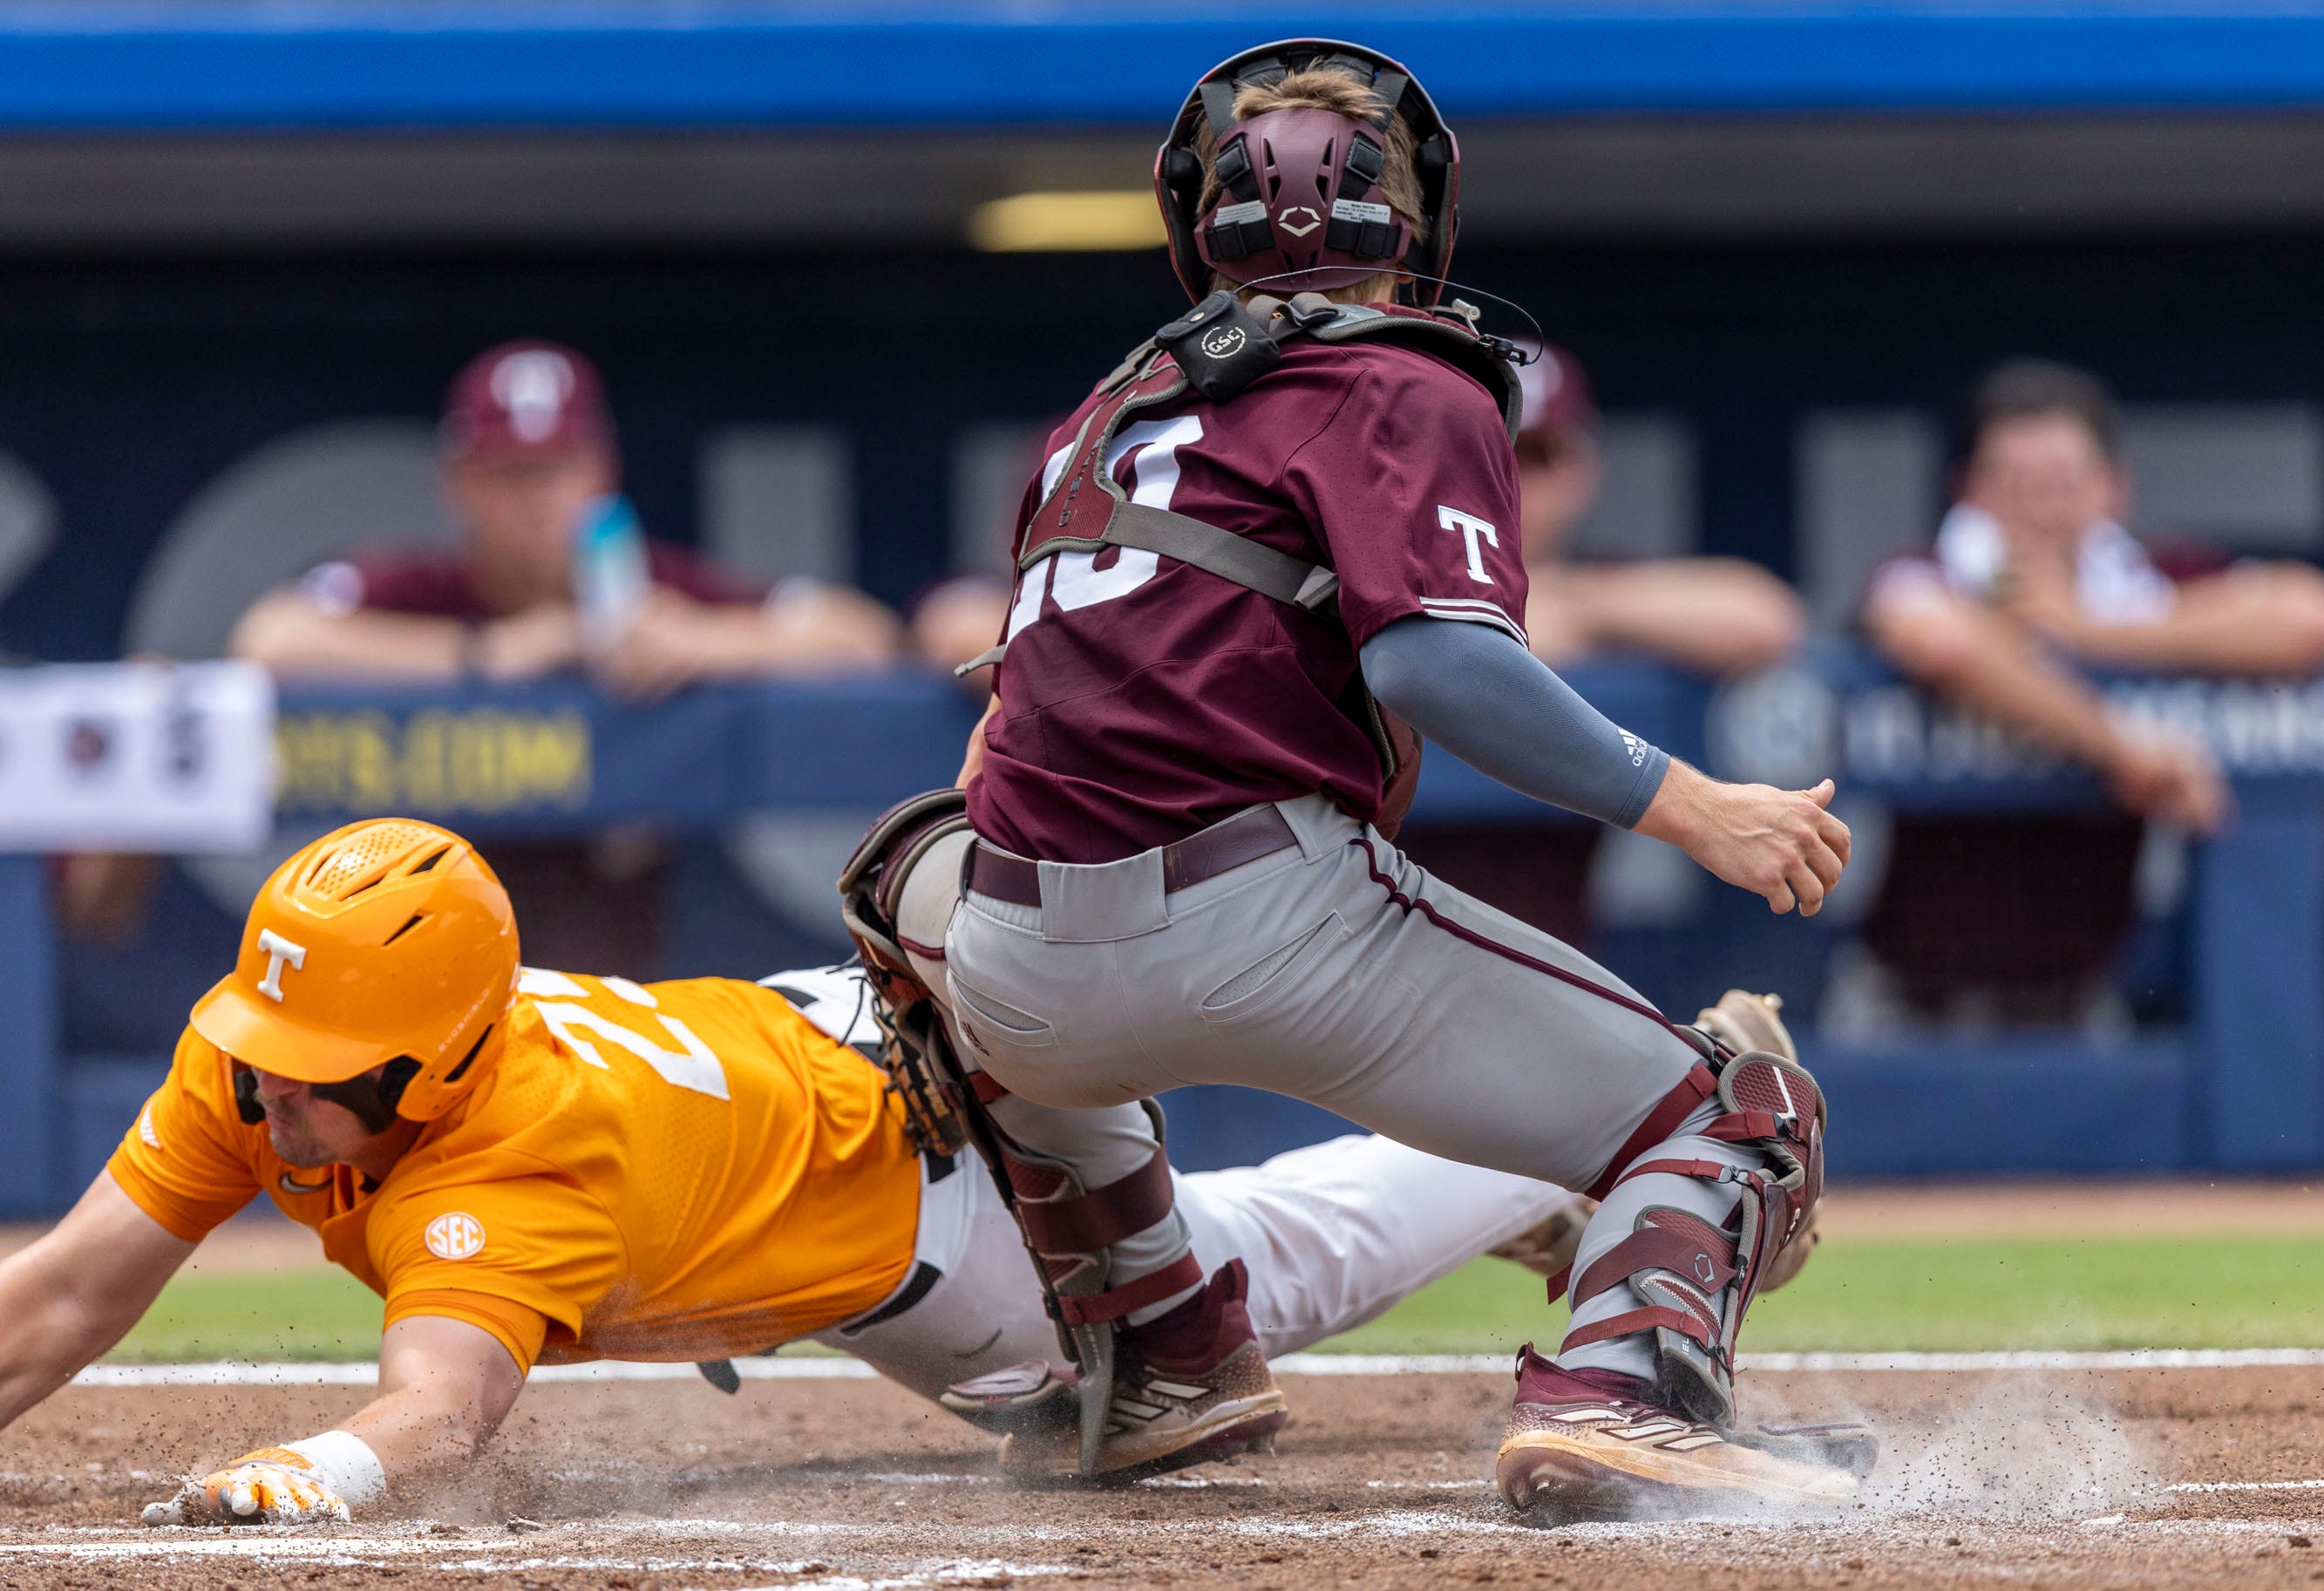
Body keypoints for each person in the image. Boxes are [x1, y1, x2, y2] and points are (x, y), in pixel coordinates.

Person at [902, 40, 1864, 1519]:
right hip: (1259, 913)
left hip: (1019, 981)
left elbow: (989, 744)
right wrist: (1699, 808)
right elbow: (1437, 668)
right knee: (1734, 1106)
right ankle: (1622, 1390)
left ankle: (1157, 1351)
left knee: (926, 890)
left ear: (1199, 218)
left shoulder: (1101, 417)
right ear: (1409, 223)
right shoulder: (1401, 377)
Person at [0, 818, 1594, 1526]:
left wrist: (329, 1473)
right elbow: (65, 1293)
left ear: (444, 1063)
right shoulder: (273, 1060)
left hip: (912, 1203)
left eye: (316, 1067)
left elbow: (441, 1410)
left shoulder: (517, 1167)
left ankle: (1604, 1133)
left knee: (1244, 1273)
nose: (264, 1084)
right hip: (806, 1038)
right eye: (258, 1035)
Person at [228, 340, 904, 976]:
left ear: (600, 471)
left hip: (611, 975)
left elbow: (864, 636)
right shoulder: (426, 586)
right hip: (427, 972)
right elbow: (270, 638)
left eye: (556, 469)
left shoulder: (649, 589)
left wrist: (702, 642)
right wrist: (490, 652)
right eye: (510, 475)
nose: (537, 499)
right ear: (459, 484)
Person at [1842, 359, 2324, 1032]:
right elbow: (1941, 644)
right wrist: (2123, 749)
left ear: (2114, 487)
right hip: (1904, 1005)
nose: (2042, 506)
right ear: (1967, 491)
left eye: (2063, 480)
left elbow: (2318, 619)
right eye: (2015, 482)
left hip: (2078, 1003)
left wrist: (2089, 628)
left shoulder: (2142, 583)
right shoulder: (1927, 571)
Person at [1398, 338, 1806, 945]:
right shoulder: (1387, 568)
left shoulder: (1599, 583)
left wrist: (1571, 606)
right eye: (1483, 446)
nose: (1507, 473)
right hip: (1380, 951)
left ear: (1579, 471)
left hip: (1544, 963)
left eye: (1533, 454)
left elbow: (1765, 617)